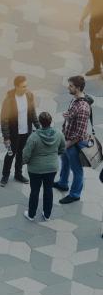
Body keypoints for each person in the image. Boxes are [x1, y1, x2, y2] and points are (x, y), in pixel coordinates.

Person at [54, 75, 92, 204]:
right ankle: (63, 183)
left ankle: (75, 194)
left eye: (71, 86)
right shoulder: (75, 99)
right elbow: (73, 117)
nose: (68, 87)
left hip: (73, 144)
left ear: (78, 88)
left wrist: (67, 145)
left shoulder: (83, 108)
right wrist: (68, 116)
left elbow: (80, 134)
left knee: (77, 170)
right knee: (65, 162)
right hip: (67, 139)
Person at [22, 112, 65, 221]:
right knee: (48, 190)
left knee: (34, 191)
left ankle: (31, 215)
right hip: (51, 168)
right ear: (50, 121)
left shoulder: (34, 137)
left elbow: (26, 154)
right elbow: (62, 149)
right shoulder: (59, 134)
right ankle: (47, 215)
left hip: (35, 169)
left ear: (40, 122)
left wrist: (24, 162)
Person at [0, 76, 40, 187]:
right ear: (16, 87)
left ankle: (18, 174)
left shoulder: (29, 95)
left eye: (26, 86)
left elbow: (32, 113)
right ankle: (5, 175)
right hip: (13, 133)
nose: (25, 89)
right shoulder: (9, 100)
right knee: (10, 154)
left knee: (21, 155)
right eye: (23, 87)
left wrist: (39, 127)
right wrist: (6, 137)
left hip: (26, 132)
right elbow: (4, 120)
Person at [81, 0, 103, 76]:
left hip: (101, 26)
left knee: (97, 49)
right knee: (92, 47)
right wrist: (82, 18)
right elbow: (89, 5)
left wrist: (102, 30)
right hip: (93, 24)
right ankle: (96, 68)